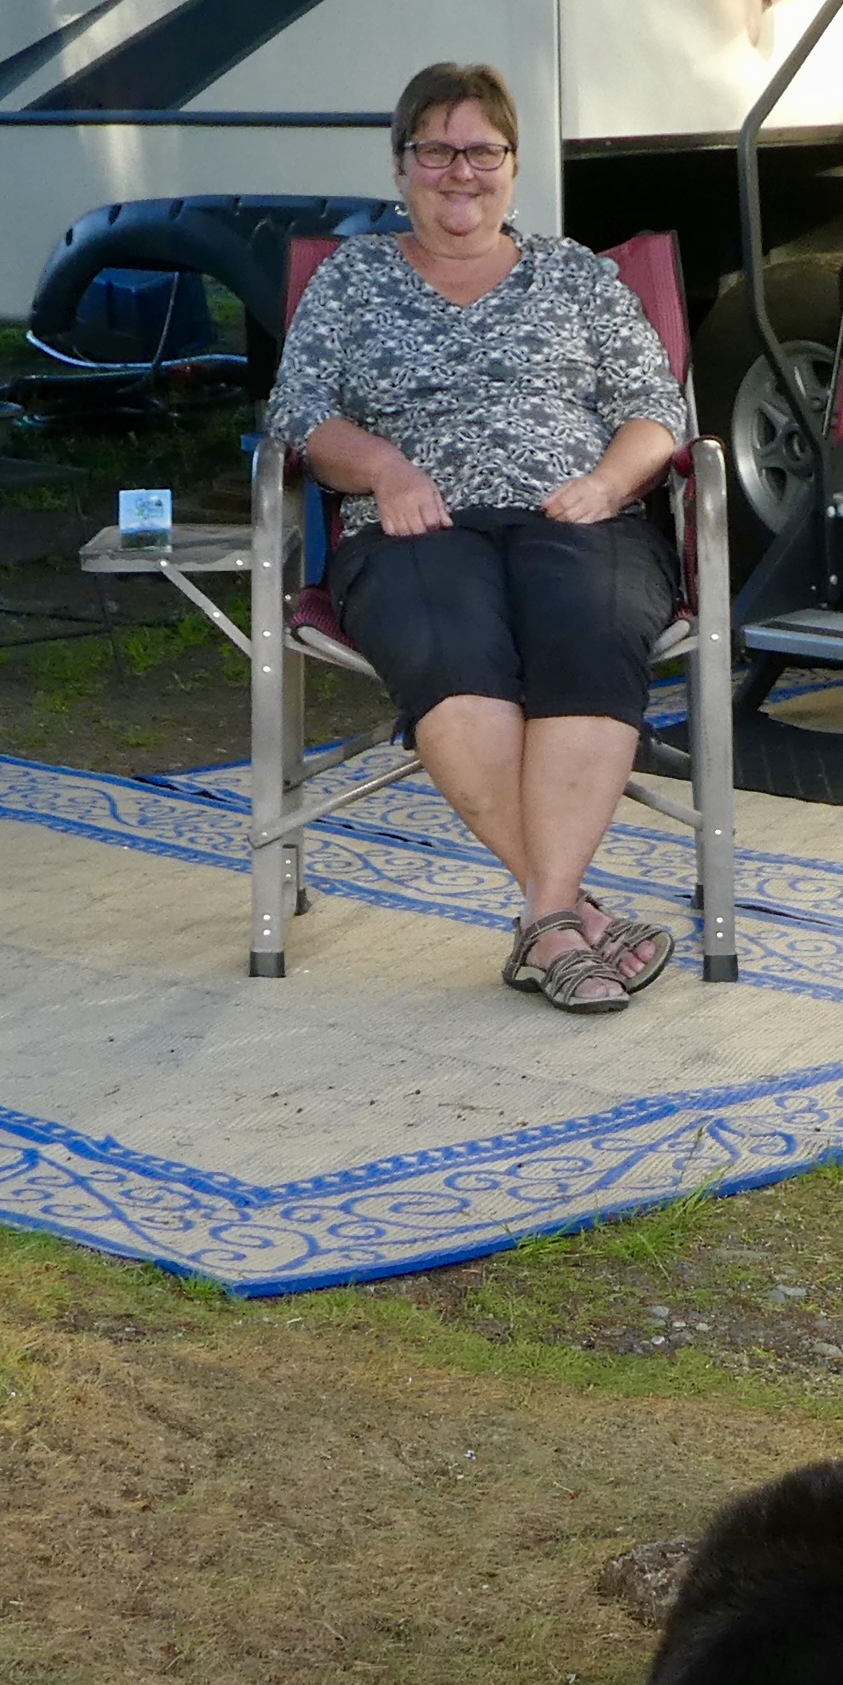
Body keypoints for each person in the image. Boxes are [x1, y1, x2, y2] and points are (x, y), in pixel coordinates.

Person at [257, 59, 691, 1013]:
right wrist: (385, 467)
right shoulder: (352, 278)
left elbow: (657, 410)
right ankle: (566, 920)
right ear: (400, 165)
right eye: (436, 150)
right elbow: (299, 414)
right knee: (453, 651)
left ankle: (547, 922)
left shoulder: (577, 276)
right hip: (413, 526)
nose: (461, 172)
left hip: (576, 513)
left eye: (483, 151)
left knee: (590, 636)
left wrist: (608, 481)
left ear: (514, 164)